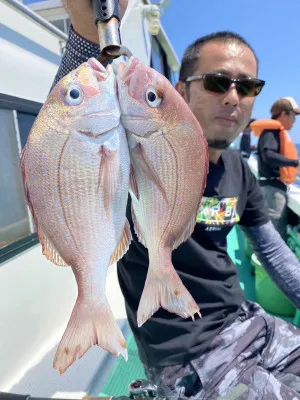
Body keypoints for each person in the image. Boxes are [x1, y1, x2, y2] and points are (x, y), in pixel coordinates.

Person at [52, 2, 300, 398]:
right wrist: (85, 31)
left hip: (250, 321)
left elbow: (272, 250)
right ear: (180, 90)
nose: (234, 97)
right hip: (187, 352)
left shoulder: (239, 168)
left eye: (248, 86)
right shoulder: (136, 150)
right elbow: (74, 125)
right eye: (218, 82)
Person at [252, 98, 300, 241]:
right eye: (293, 116)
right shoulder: (271, 131)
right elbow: (268, 155)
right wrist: (295, 163)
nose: (294, 121)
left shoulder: (274, 132)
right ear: (284, 114)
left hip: (274, 187)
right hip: (272, 189)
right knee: (276, 231)